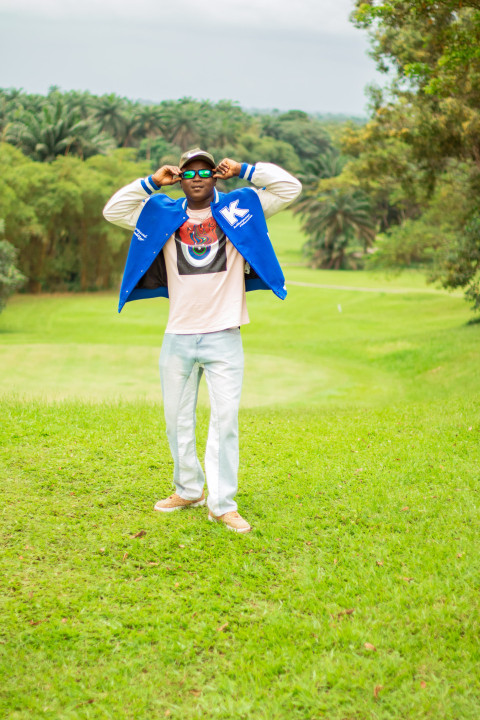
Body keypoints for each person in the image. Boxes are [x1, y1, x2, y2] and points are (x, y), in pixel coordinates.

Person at [103, 148, 301, 533]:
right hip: (177, 334)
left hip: (224, 334)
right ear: (180, 177)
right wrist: (150, 182)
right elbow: (113, 211)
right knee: (177, 419)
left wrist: (245, 170)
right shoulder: (162, 213)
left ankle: (222, 504)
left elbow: (289, 187)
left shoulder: (240, 208)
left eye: (205, 170)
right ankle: (188, 489)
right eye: (189, 171)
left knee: (224, 421)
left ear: (215, 175)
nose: (197, 176)